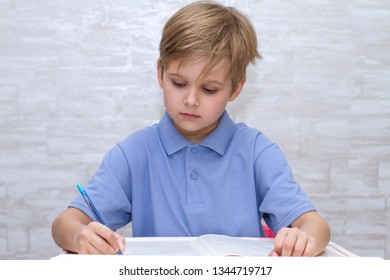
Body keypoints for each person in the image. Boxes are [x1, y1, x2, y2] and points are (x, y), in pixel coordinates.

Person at [52, 0, 330, 257]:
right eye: (179, 83)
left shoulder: (258, 152)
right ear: (160, 73)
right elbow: (65, 223)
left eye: (209, 89)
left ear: (235, 89)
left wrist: (304, 239)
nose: (191, 100)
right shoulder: (134, 153)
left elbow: (315, 226)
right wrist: (80, 236)